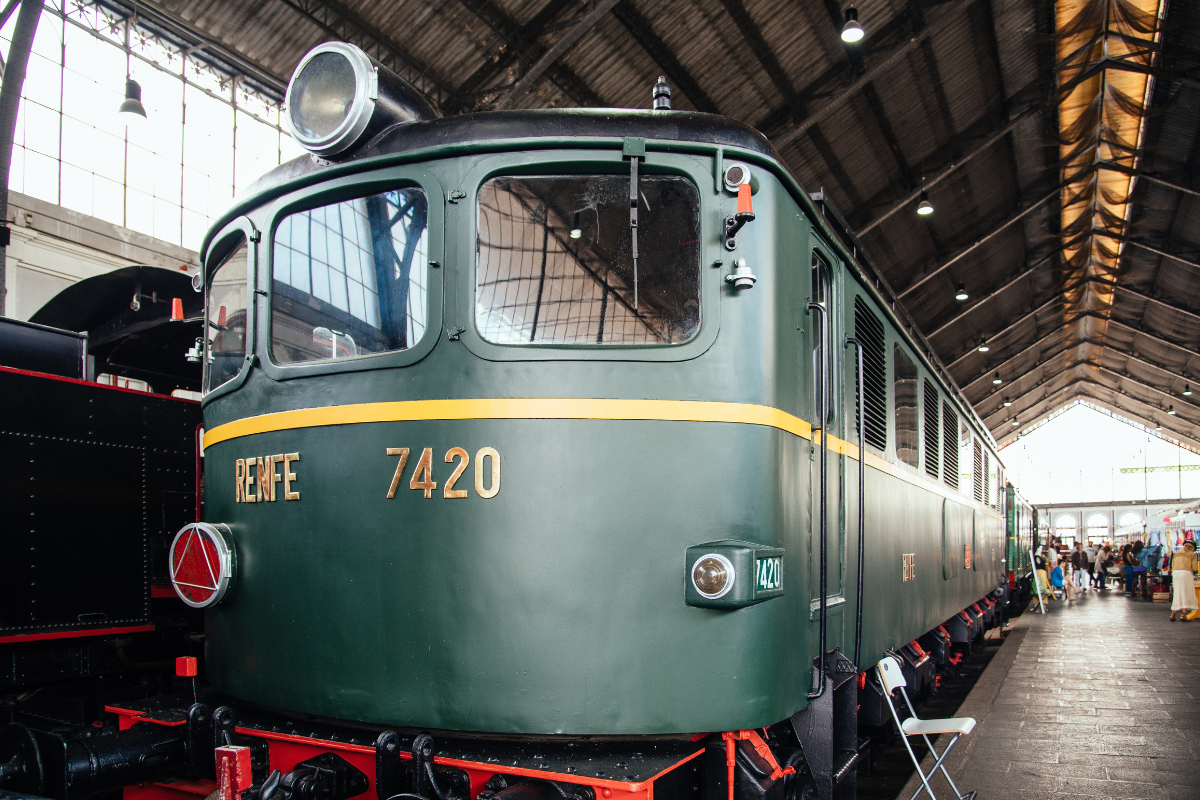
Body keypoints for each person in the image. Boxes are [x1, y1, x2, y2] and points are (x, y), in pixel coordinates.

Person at [1169, 540, 1199, 621]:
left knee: (1177, 593)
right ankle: (1183, 615)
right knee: (1186, 593)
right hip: (1186, 574)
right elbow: (1195, 568)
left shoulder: (1176, 554)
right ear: (1192, 547)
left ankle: (1173, 613)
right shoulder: (1192, 554)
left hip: (1175, 574)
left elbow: (1172, 566)